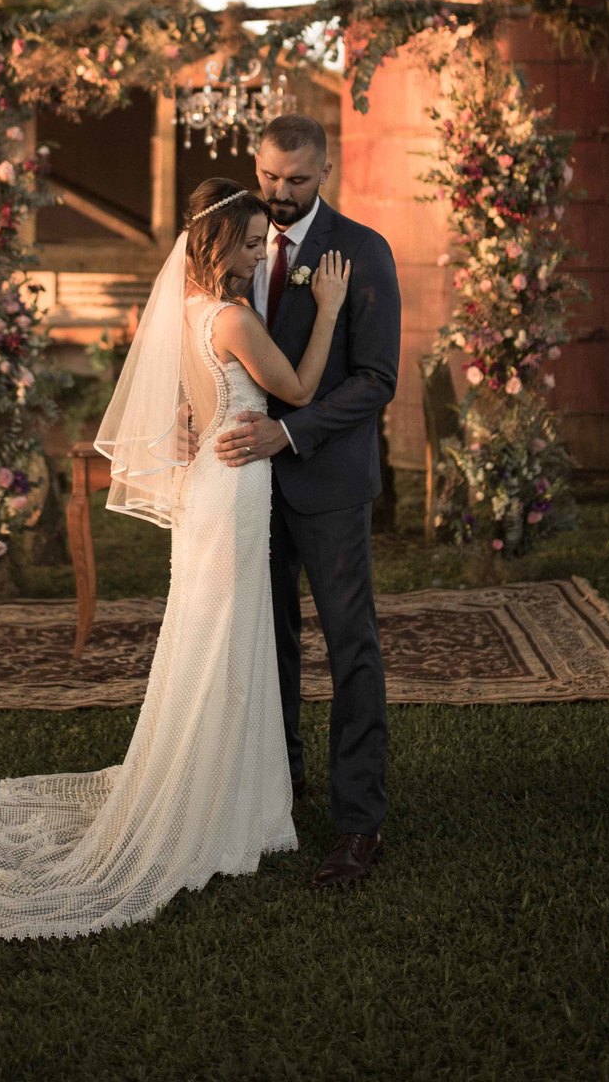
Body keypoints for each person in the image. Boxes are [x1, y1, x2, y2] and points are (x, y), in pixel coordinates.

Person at [0, 178, 349, 940]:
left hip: (214, 482)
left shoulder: (184, 312)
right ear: (217, 245)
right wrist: (332, 309)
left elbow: (192, 399)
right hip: (234, 487)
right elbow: (301, 388)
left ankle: (237, 795)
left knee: (217, 637)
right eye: (247, 242)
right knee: (223, 641)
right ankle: (212, 802)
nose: (256, 252)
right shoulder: (235, 318)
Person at [215, 113, 401, 891]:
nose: (279, 195)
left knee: (349, 646)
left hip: (325, 482)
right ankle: (279, 797)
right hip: (247, 490)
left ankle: (359, 822)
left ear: (325, 171)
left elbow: (375, 380)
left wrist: (287, 436)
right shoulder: (235, 241)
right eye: (267, 178)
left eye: (295, 181)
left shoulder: (363, 251)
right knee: (271, 643)